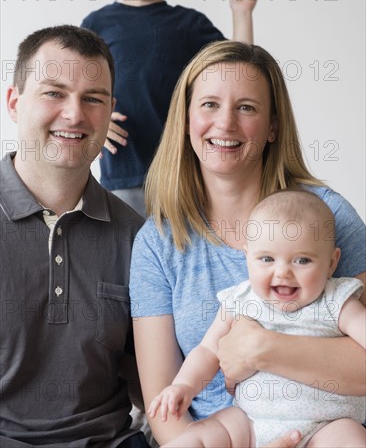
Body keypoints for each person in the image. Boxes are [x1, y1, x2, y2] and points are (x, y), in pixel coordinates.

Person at [129, 40, 366, 446]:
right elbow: (165, 408)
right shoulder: (158, 241)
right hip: (225, 434)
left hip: (324, 427)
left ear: (273, 125)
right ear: (185, 119)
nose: (225, 124)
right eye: (209, 105)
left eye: (247, 107)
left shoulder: (324, 216)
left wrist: (261, 348)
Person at [0, 25, 149, 447]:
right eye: (54, 93)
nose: (74, 114)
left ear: (110, 110)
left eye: (93, 98)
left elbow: (154, 383)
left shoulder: (139, 239)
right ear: (15, 102)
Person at [148, 190, 366, 448]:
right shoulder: (241, 300)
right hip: (250, 421)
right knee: (201, 434)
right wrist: (184, 386)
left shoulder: (337, 300)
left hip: (327, 424)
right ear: (247, 256)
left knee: (350, 439)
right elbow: (208, 350)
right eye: (267, 259)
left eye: (302, 260)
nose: (283, 272)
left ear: (331, 263)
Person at [81, 0, 261, 216]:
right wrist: (94, 121)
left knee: (181, 248)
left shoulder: (189, 24)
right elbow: (79, 87)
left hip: (181, 169)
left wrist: (241, 14)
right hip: (125, 167)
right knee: (129, 253)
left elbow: (237, 71)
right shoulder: (98, 23)